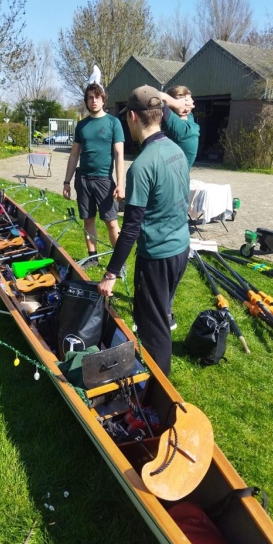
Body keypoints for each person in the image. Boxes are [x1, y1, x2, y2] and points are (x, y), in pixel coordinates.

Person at [98, 85, 190, 377]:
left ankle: (158, 394)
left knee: (154, 330)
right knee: (159, 314)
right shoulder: (176, 151)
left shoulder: (141, 166)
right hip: (181, 249)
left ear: (134, 118)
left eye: (127, 117)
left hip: (158, 258)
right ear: (160, 114)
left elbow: (131, 230)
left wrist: (110, 274)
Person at [63, 82, 125, 269]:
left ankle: (118, 263)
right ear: (86, 101)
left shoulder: (114, 123)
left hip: (104, 181)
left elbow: (119, 154)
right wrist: (66, 181)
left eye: (97, 97)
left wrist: (120, 184)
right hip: (83, 179)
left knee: (111, 223)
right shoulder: (81, 125)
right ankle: (92, 257)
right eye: (90, 97)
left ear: (103, 99)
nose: (94, 101)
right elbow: (74, 154)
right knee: (88, 220)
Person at [159, 86, 200, 330]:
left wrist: (177, 103)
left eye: (190, 97)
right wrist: (173, 102)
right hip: (169, 189)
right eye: (185, 98)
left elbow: (152, 93)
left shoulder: (186, 122)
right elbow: (152, 92)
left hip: (175, 192)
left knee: (170, 251)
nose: (190, 101)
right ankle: (163, 309)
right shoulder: (177, 120)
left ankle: (165, 309)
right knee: (167, 251)